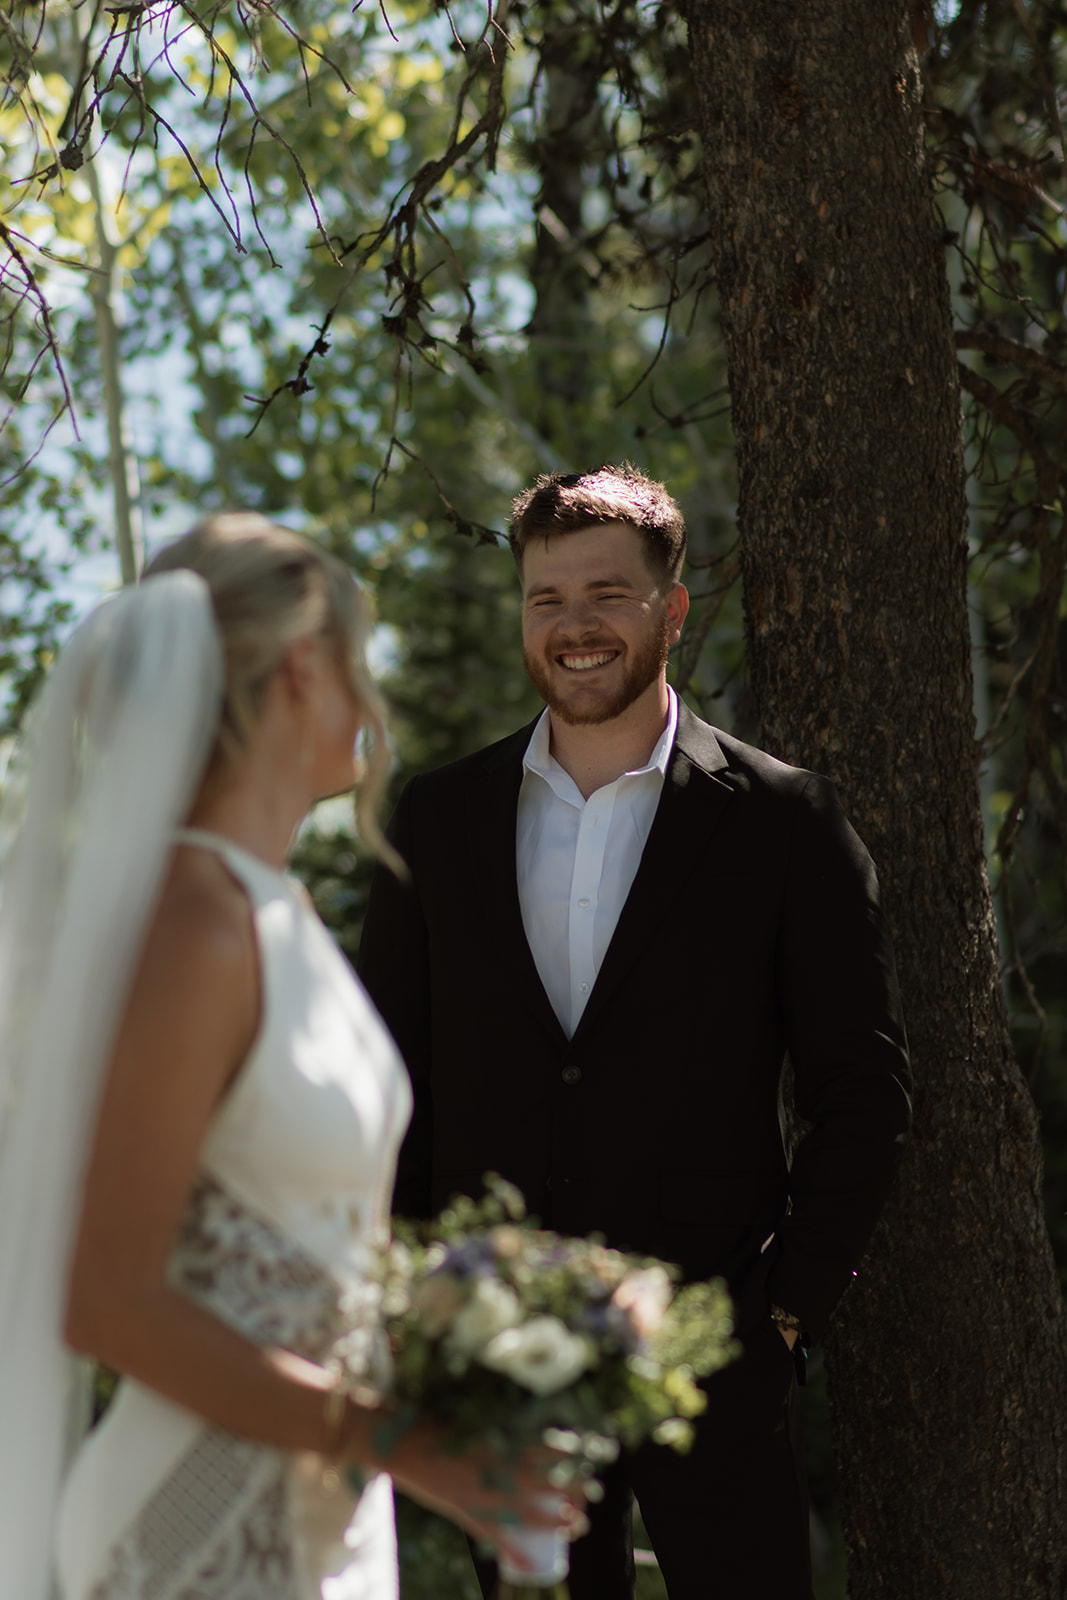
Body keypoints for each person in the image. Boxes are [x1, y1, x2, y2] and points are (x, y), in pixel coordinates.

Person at [357, 464, 912, 1600]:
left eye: (604, 595)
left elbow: (863, 1091)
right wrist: (421, 1313)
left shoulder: (782, 821)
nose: (572, 628)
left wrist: (788, 1311)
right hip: (496, 1362)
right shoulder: (439, 819)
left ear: (670, 607)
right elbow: (390, 1081)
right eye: (544, 599)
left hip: (718, 1353)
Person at [0, 513, 578, 1600]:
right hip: (196, 1525)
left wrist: (467, 1381)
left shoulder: (277, 912)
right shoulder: (193, 922)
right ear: (305, 666)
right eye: (358, 664)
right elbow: (106, 1299)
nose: (370, 699)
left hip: (326, 1502)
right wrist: (393, 1433)